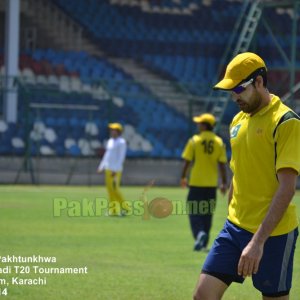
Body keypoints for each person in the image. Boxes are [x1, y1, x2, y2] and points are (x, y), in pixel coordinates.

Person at [193, 52, 300, 300]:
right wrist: (231, 214)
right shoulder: (236, 122)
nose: (234, 96)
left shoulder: (286, 121)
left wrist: (257, 242)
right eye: (230, 90)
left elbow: (287, 188)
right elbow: (238, 172)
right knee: (202, 295)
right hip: (234, 228)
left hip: (274, 234)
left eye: (238, 89)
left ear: (259, 82)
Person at [181, 113, 228, 251]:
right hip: (211, 184)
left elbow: (187, 162)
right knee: (208, 214)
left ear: (205, 125)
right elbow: (222, 165)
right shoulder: (219, 142)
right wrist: (224, 183)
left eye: (200, 123)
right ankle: (204, 242)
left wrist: (183, 177)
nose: (198, 125)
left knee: (194, 211)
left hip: (196, 182)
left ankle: (199, 234)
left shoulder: (194, 141)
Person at [97, 123, 128, 216]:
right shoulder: (110, 141)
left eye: (114, 130)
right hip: (108, 169)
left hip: (115, 170)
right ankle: (113, 210)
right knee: (110, 190)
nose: (112, 131)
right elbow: (107, 155)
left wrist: (115, 169)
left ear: (118, 131)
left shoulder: (121, 142)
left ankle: (125, 208)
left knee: (115, 189)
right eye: (111, 130)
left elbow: (121, 157)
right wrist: (101, 166)